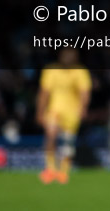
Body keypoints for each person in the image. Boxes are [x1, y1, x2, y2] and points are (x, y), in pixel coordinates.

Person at [37, 48, 91, 184]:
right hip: (54, 110)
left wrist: (83, 108)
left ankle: (63, 172)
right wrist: (40, 111)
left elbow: (84, 92)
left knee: (68, 142)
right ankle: (50, 169)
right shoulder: (50, 70)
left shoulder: (80, 71)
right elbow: (44, 93)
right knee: (51, 134)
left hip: (72, 112)